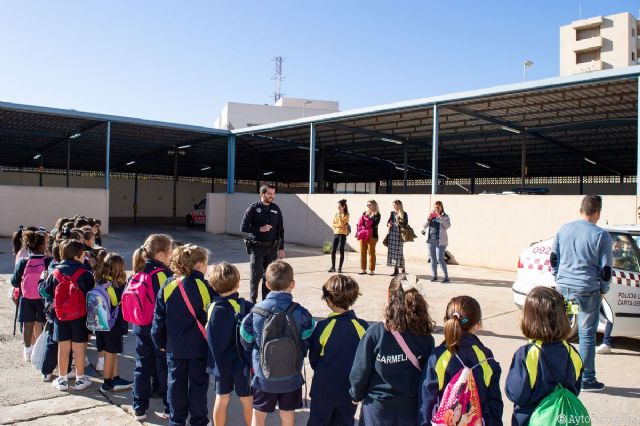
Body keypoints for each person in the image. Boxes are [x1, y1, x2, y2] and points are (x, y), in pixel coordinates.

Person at [349, 274, 435, 426]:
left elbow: (360, 371)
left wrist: (356, 395)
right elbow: (428, 375)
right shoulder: (425, 336)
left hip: (377, 410)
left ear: (389, 295)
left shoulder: (375, 333)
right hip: (411, 409)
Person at [240, 260, 315, 426]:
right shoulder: (301, 312)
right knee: (287, 413)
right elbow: (308, 337)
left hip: (263, 376)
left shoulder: (256, 311)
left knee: (259, 414)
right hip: (291, 376)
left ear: (266, 284)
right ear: (292, 284)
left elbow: (245, 338)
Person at [550, 194, 612, 392]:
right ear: (598, 213)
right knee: (586, 335)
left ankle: (556, 375)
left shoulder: (564, 229)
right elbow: (606, 269)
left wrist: (558, 278)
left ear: (580, 210)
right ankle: (587, 379)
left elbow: (554, 258)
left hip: (565, 291)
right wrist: (604, 288)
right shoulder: (601, 235)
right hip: (587, 292)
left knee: (561, 332)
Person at [152, 244, 216, 426]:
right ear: (199, 265)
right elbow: (211, 316)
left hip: (174, 347)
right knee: (198, 385)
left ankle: (176, 420)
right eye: (206, 264)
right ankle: (199, 420)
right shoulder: (205, 286)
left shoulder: (168, 285)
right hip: (199, 347)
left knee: (175, 383)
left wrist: (159, 341)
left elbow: (159, 317)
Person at [418, 296, 503, 426]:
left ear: (446, 321)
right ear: (478, 324)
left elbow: (426, 402)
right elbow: (494, 403)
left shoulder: (438, 357)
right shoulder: (485, 358)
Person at [505, 287, 583, 425]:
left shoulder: (526, 355)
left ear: (529, 319)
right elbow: (575, 389)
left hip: (530, 420)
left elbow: (516, 394)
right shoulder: (572, 353)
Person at [308, 274, 368, 426]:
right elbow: (366, 360)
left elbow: (314, 358)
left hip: (323, 389)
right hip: (349, 391)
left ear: (328, 299)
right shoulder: (362, 327)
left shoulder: (323, 326)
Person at [131, 234, 174, 421]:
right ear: (161, 254)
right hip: (158, 329)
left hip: (140, 326)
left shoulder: (139, 270)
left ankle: (139, 408)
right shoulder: (163, 275)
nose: (172, 256)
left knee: (142, 366)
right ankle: (168, 407)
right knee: (163, 368)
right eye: (170, 252)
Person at [42, 239, 94, 391]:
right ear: (77, 256)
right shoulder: (86, 273)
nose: (85, 257)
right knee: (79, 348)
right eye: (83, 255)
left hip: (60, 317)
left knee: (63, 348)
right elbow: (91, 294)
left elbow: (45, 291)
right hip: (80, 317)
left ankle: (62, 380)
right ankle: (80, 379)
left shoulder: (55, 272)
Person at [206, 262, 254, 426]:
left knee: (221, 398)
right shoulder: (245, 307)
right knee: (247, 400)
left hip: (220, 363)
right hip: (241, 364)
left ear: (213, 286)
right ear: (238, 283)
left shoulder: (211, 307)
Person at [94, 252, 133, 393]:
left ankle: (115, 378)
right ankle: (107, 383)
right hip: (113, 325)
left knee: (112, 352)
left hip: (101, 323)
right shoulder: (119, 286)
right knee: (110, 353)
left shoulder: (100, 281)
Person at [241, 184, 285, 304]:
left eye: (273, 194)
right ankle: (252, 303)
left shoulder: (276, 209)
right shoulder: (253, 208)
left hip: (272, 249)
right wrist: (260, 229)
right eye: (269, 193)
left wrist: (281, 247)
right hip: (257, 248)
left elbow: (280, 229)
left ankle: (266, 303)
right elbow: (243, 227)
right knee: (256, 277)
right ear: (262, 194)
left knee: (269, 277)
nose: (272, 196)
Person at [12, 229, 51, 361]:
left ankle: (27, 350)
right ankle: (41, 349)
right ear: (42, 246)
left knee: (27, 324)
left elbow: (14, 281)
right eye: (46, 243)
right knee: (43, 323)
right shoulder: (48, 261)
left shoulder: (23, 262)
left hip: (26, 298)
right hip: (43, 298)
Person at [422, 201, 451, 283]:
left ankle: (446, 277)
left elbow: (447, 226)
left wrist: (439, 217)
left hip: (440, 240)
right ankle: (434, 276)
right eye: (435, 207)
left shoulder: (445, 216)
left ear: (441, 207)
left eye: (438, 207)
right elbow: (424, 226)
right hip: (430, 240)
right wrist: (428, 219)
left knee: (440, 259)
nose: (436, 209)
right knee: (432, 259)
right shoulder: (432, 216)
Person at [357, 200, 381, 276]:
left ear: (374, 205)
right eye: (367, 205)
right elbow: (361, 223)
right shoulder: (365, 213)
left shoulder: (377, 214)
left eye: (369, 205)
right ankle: (363, 269)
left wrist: (367, 221)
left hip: (372, 235)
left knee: (371, 253)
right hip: (363, 234)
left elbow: (374, 224)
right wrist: (366, 223)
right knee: (362, 252)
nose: (368, 206)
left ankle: (371, 270)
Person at [386, 200, 408, 276]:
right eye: (393, 205)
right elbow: (388, 222)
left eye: (395, 205)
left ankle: (403, 270)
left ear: (399, 205)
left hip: (399, 235)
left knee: (399, 253)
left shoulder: (404, 214)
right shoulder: (392, 213)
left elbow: (406, 224)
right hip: (392, 234)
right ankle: (396, 270)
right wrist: (389, 224)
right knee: (393, 253)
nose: (394, 206)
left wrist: (400, 222)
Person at [329, 199, 350, 273]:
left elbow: (342, 224)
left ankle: (340, 268)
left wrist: (340, 216)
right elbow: (333, 224)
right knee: (333, 250)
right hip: (336, 233)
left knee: (341, 250)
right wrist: (339, 226)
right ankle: (333, 267)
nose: (338, 207)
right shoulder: (336, 214)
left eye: (340, 206)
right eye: (338, 206)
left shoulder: (347, 214)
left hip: (343, 234)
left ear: (343, 207)